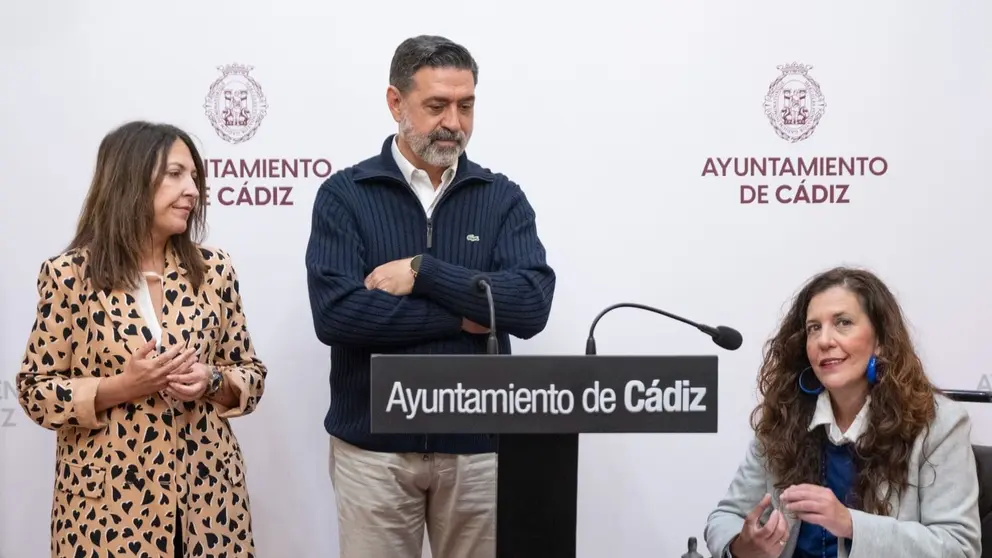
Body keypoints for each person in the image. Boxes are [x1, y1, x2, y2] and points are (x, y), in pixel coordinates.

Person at [305, 35, 556, 558]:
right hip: (373, 451)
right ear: (396, 103)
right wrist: (466, 317)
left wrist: (425, 272)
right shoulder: (345, 195)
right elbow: (338, 315)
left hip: (478, 450)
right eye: (436, 105)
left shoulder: (501, 197)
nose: (454, 123)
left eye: (466, 106)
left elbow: (530, 305)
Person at [16, 121, 267, 558]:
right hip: (106, 512)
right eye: (175, 174)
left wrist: (210, 380)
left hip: (207, 505)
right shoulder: (69, 275)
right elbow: (34, 390)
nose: (192, 189)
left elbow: (250, 373)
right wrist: (121, 387)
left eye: (194, 177)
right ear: (129, 178)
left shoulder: (213, 269)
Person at [703, 267, 981, 558]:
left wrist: (851, 524)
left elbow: (959, 548)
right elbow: (725, 517)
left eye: (843, 323)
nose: (824, 340)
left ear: (880, 342)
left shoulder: (940, 425)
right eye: (814, 328)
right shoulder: (784, 417)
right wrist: (741, 547)